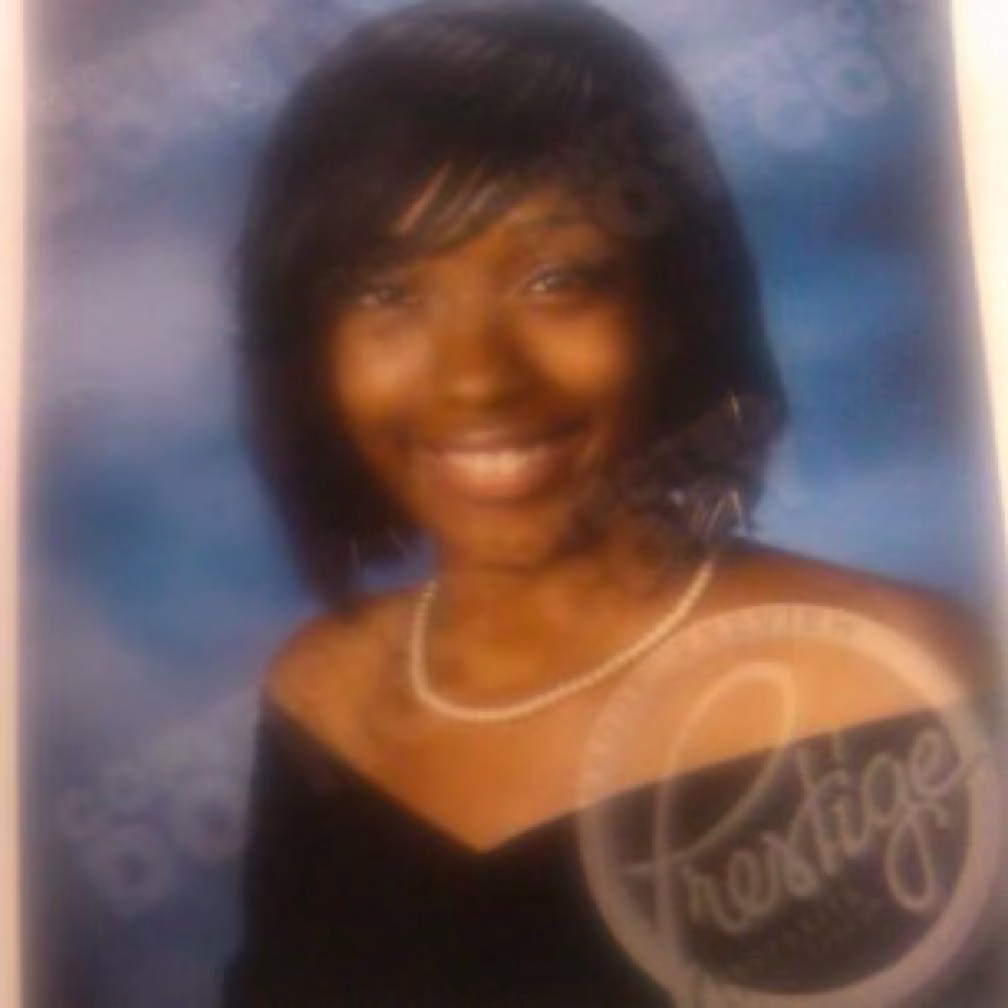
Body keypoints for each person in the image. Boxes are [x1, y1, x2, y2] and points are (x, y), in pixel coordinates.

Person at [221, 1, 1001, 1005]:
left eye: (557, 280)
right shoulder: (325, 695)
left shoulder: (890, 684)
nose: (476, 380)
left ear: (673, 307)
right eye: (386, 293)